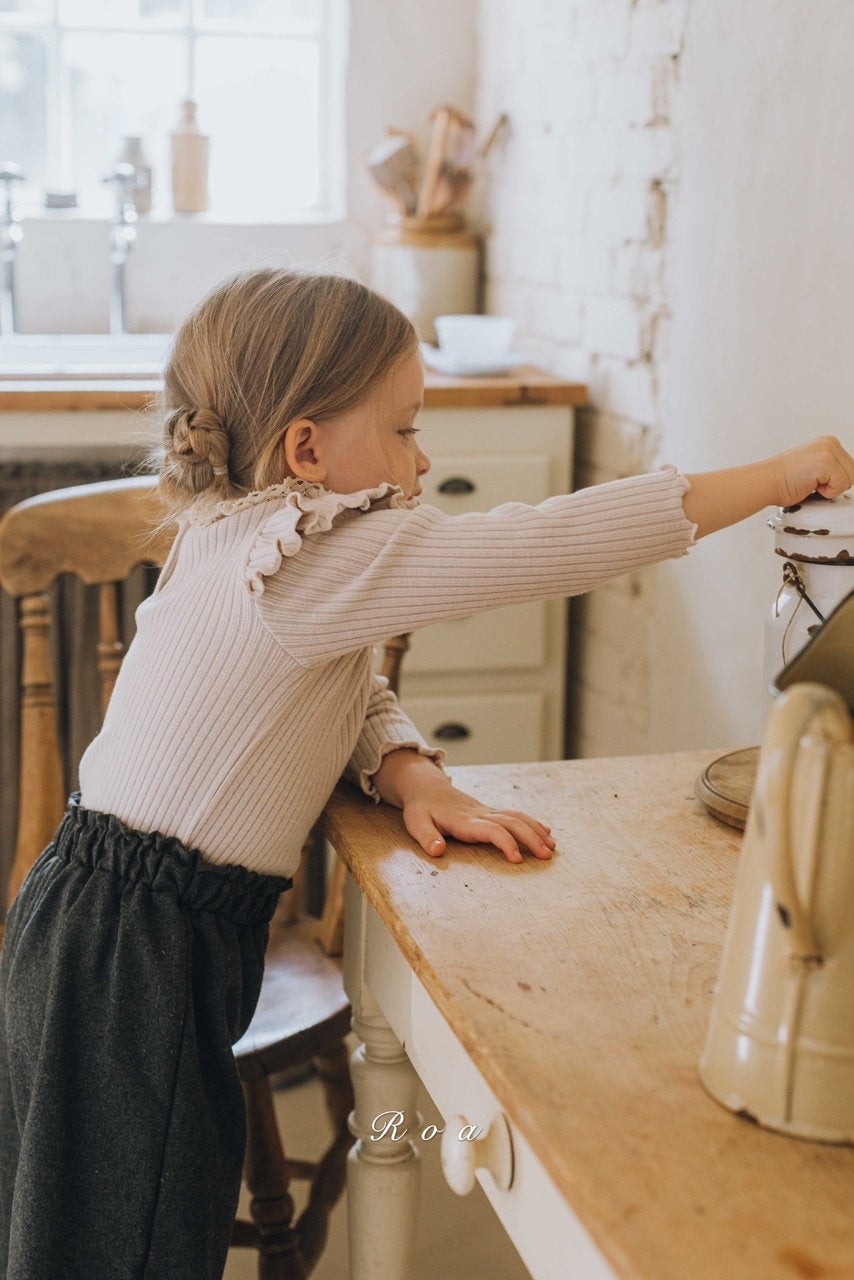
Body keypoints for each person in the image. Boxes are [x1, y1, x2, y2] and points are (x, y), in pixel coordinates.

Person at [1, 268, 852, 1280]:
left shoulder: (252, 539)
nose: (423, 454)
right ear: (306, 448)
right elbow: (541, 544)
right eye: (404, 429)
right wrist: (771, 476)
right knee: (130, 1236)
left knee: (87, 1222)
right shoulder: (310, 550)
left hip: (99, 915)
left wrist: (405, 770)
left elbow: (340, 686)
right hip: (137, 945)